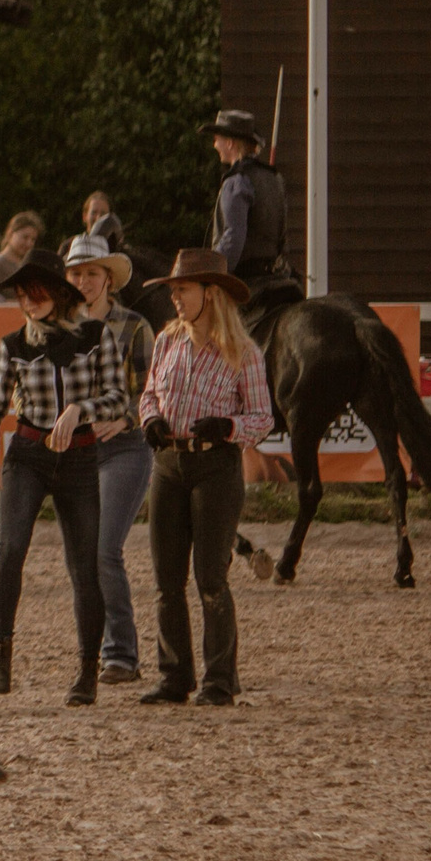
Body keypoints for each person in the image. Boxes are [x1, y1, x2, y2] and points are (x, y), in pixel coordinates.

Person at [0, 249, 127, 706]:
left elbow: (120, 398)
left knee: (84, 565)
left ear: (59, 294)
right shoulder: (13, 345)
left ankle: (86, 672)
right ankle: (1, 658)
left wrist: (82, 410)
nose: (29, 301)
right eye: (22, 294)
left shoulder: (98, 336)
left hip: (80, 457)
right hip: (27, 454)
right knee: (11, 548)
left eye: (36, 292)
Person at [135, 248, 274, 707]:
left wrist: (229, 428)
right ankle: (175, 676)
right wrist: (151, 419)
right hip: (169, 465)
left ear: (210, 294)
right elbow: (150, 392)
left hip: (216, 467)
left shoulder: (244, 352)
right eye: (173, 290)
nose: (175, 298)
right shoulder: (167, 342)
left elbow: (263, 417)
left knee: (211, 577)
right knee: (166, 579)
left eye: (183, 290)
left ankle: (219, 679)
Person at [64, 232, 151, 684]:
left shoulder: (134, 326)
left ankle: (122, 652)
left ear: (108, 279)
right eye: (76, 273)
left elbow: (155, 392)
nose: (83, 281)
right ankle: (93, 650)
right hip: (75, 453)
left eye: (92, 273)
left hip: (124, 450)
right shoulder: (56, 329)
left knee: (103, 550)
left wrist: (128, 417)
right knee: (80, 557)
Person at [203, 109, 290, 285]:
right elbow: (283, 236)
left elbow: (233, 237)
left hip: (246, 280)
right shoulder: (275, 178)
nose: (214, 145)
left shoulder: (236, 182)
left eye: (216, 140)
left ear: (229, 143)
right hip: (278, 276)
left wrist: (211, 275)